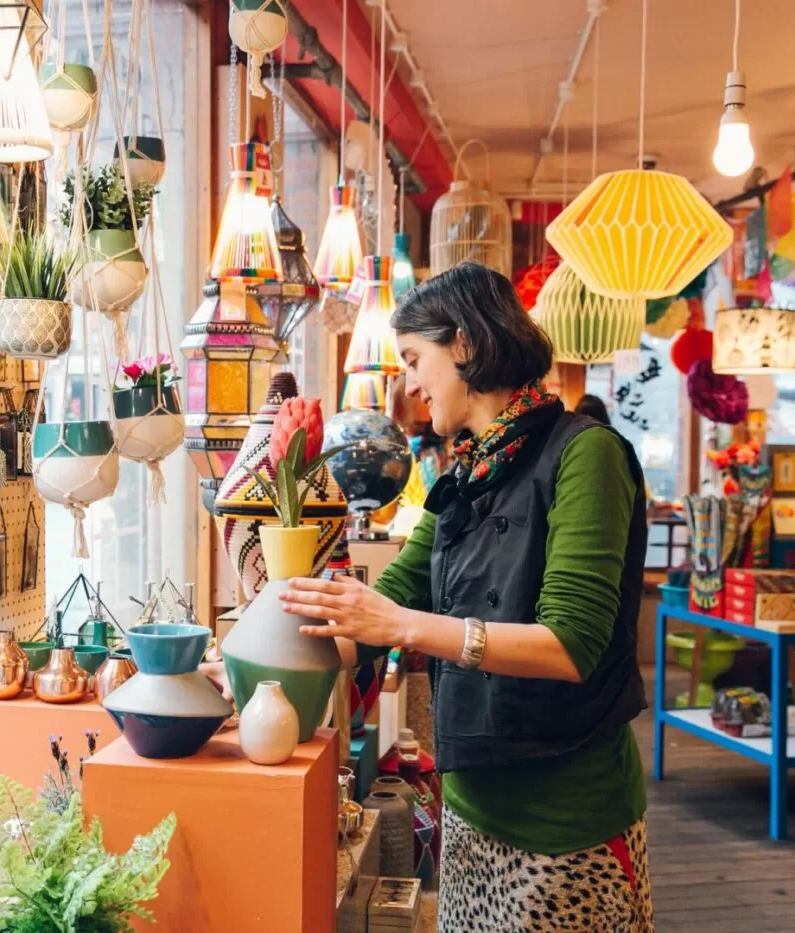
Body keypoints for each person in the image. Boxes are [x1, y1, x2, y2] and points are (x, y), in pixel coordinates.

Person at [282, 262, 652, 932]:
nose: (412, 383)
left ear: (467, 344)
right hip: (472, 809)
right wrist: (263, 666)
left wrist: (407, 626)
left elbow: (571, 644)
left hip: (568, 822)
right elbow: (390, 597)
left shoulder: (585, 455)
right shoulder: (467, 471)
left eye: (416, 358)